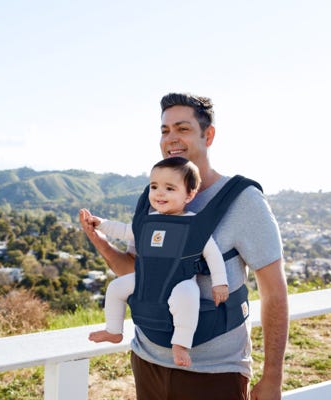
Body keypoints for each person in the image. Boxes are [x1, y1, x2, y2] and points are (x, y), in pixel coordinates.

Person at [79, 93, 288, 400]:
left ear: (209, 134)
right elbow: (139, 273)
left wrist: (273, 379)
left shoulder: (243, 202)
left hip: (214, 373)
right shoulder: (156, 199)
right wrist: (102, 244)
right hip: (147, 360)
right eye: (165, 130)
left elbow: (274, 292)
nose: (171, 139)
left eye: (183, 128)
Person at [81, 156, 229, 367]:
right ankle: (113, 330)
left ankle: (181, 344)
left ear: (189, 194)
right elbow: (124, 231)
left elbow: (212, 254)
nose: (160, 193)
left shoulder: (193, 225)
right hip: (146, 280)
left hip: (180, 281)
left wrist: (220, 283)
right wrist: (101, 224)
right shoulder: (148, 221)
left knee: (188, 297)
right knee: (115, 288)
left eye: (170, 188)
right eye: (154, 186)